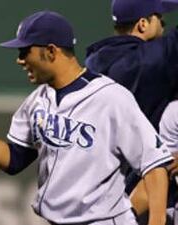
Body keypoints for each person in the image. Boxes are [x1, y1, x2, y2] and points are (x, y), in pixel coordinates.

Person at [0, 10, 173, 225]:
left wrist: (157, 221)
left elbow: (154, 165)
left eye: (25, 51)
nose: (20, 60)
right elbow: (14, 159)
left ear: (51, 51)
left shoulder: (111, 97)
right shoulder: (38, 100)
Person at [85, 0, 178, 222]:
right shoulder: (154, 59)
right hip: (146, 189)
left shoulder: (92, 64)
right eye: (158, 16)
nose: (163, 21)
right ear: (143, 24)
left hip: (98, 190)